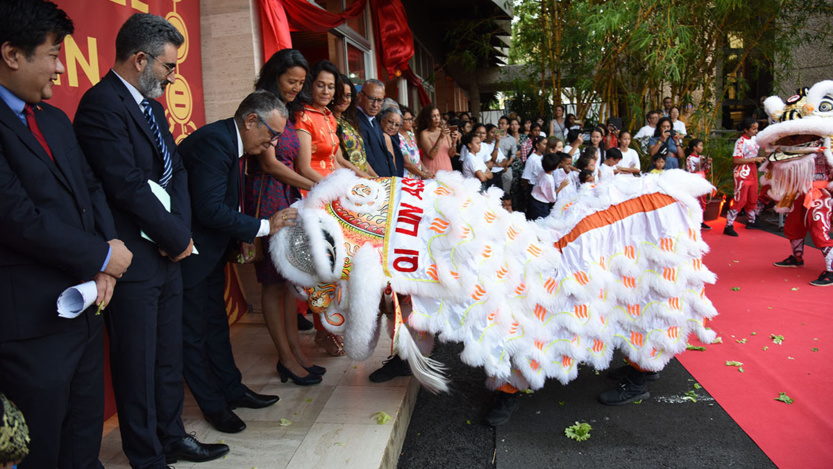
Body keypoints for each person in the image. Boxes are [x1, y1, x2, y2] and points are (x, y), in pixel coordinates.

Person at [74, 13, 227, 466]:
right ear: (140, 59)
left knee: (167, 354)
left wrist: (179, 233)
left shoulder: (153, 107)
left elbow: (174, 170)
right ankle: (146, 453)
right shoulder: (100, 105)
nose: (172, 76)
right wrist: (173, 235)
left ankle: (172, 434)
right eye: (167, 66)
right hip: (132, 257)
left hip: (169, 250)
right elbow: (124, 184)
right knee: (136, 362)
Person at [0, 2, 132, 467]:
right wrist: (99, 256)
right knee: (42, 449)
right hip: (29, 323)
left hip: (85, 306)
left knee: (83, 436)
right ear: (12, 54)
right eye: (53, 54)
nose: (61, 68)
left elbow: (90, 187)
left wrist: (109, 255)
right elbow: (16, 217)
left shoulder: (53, 118)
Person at [179, 91, 295, 435]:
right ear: (250, 121)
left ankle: (231, 389)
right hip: (190, 255)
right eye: (271, 134)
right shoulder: (214, 143)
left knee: (216, 326)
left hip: (211, 252)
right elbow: (209, 209)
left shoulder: (230, 141)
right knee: (193, 335)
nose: (272, 142)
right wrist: (264, 226)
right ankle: (213, 406)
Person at [249, 49, 322, 386]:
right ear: (274, 75)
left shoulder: (290, 111)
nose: (296, 87)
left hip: (289, 197)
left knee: (289, 281)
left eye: (300, 82)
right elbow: (270, 164)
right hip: (267, 199)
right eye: (291, 80)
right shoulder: (261, 104)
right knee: (272, 282)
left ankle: (296, 352)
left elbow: (293, 162)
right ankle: (285, 358)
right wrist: (314, 186)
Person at [724, 117, 766, 237]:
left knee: (753, 196)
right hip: (742, 172)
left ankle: (751, 221)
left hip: (752, 170)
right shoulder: (740, 142)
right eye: (753, 129)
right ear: (746, 130)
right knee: (740, 199)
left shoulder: (755, 140)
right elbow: (736, 160)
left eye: (757, 129)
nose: (756, 131)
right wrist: (755, 159)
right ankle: (729, 225)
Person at [331, 74, 377, 178]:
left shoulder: (347, 121)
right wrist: (368, 178)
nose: (344, 100)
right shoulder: (329, 122)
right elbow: (341, 161)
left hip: (363, 179)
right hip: (348, 180)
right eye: (340, 95)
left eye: (348, 95)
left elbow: (361, 158)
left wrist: (376, 178)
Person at [357, 79, 399, 177]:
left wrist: (394, 178)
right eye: (371, 98)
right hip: (375, 182)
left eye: (379, 100)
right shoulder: (355, 121)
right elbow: (367, 158)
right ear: (360, 96)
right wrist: (380, 180)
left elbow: (387, 154)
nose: (375, 105)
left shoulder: (375, 120)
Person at [416, 103, 457, 176]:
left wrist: (454, 142)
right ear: (428, 118)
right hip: (432, 170)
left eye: (438, 115)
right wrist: (440, 137)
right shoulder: (424, 133)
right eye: (433, 116)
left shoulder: (444, 131)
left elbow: (451, 154)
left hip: (447, 169)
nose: (437, 118)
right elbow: (432, 155)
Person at [685, 138, 713, 230]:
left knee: (703, 201)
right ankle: (693, 220)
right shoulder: (689, 158)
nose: (702, 148)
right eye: (700, 145)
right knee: (695, 201)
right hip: (694, 182)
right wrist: (699, 164)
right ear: (694, 147)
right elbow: (691, 171)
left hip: (702, 180)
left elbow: (706, 171)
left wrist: (707, 164)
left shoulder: (701, 157)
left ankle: (701, 221)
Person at [528, 153, 566, 220]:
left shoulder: (542, 172)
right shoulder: (549, 180)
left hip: (533, 199)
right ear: (556, 167)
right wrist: (561, 186)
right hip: (541, 204)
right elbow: (552, 197)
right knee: (541, 221)